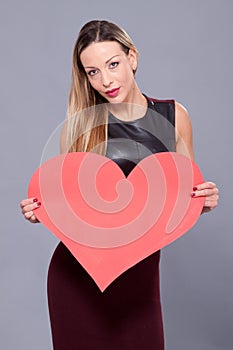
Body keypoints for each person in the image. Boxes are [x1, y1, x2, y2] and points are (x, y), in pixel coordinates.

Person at [20, 20, 219, 350]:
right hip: (78, 278)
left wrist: (204, 201)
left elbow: (183, 200)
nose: (106, 80)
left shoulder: (173, 116)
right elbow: (72, 210)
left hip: (138, 281)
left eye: (113, 64)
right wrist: (42, 211)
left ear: (133, 58)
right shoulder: (82, 127)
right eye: (93, 72)